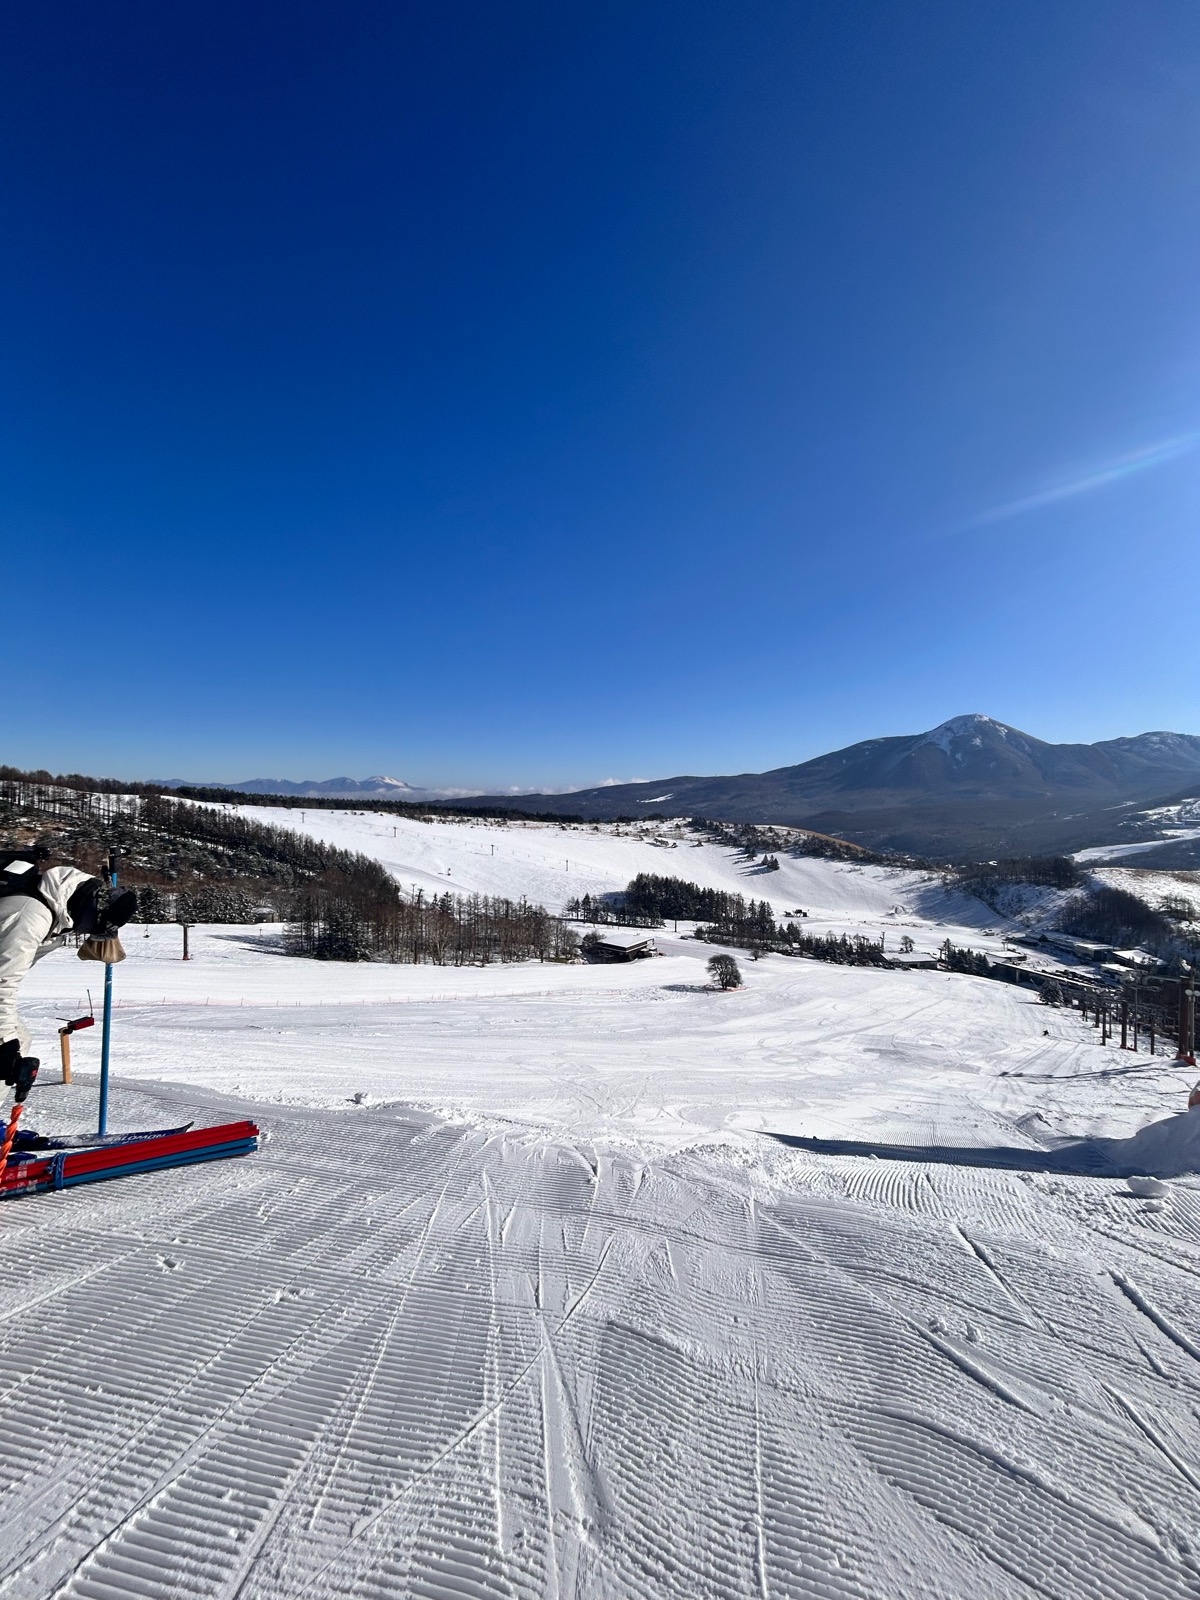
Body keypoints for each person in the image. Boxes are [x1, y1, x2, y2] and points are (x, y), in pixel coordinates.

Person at [0, 852, 136, 1105]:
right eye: (91, 926)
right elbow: (2, 982)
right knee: (8, 1047)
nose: (84, 932)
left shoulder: (55, 907)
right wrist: (4, 1044)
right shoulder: (30, 916)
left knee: (19, 1038)